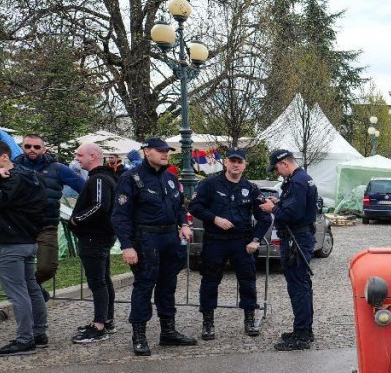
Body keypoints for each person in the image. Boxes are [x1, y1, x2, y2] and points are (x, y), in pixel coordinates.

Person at [111, 138, 197, 356]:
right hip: (145, 238)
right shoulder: (131, 178)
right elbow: (120, 216)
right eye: (160, 150)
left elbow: (178, 205)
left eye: (166, 150)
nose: (165, 154)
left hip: (169, 238)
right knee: (144, 286)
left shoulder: (170, 176)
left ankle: (168, 331)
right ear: (146, 152)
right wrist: (127, 246)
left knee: (168, 286)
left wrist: (184, 224)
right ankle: (139, 335)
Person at [0, 140, 49, 356]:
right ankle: (38, 334)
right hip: (27, 242)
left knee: (20, 294)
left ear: (4, 157)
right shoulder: (30, 177)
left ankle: (26, 340)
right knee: (32, 289)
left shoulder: (7, 179)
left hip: (10, 245)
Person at [190, 149, 271, 340]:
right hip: (215, 240)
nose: (236, 165)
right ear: (225, 163)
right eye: (232, 161)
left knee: (248, 281)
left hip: (242, 242)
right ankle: (208, 322)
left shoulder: (251, 188)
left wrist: (256, 240)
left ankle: (249, 319)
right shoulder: (209, 184)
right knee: (210, 281)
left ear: (244, 165)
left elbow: (264, 218)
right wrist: (215, 219)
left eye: (239, 162)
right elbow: (194, 207)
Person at [259, 150, 318, 351]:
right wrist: (280, 202)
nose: (277, 172)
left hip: (296, 239)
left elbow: (292, 214)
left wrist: (272, 209)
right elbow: (296, 206)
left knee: (298, 286)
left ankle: (301, 334)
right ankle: (304, 330)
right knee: (302, 285)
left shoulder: (297, 182)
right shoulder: (302, 179)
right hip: (301, 236)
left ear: (284, 164)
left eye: (276, 168)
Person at [13, 134, 85, 296]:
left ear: (44, 149)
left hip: (46, 226)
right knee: (16, 268)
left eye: (36, 147)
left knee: (47, 268)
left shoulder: (58, 168)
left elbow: (85, 188)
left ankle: (33, 287)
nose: (32, 150)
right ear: (22, 147)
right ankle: (33, 294)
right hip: (20, 227)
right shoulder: (13, 167)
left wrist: (80, 213)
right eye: (28, 146)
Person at [68, 143, 118, 343]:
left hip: (94, 237)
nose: (77, 158)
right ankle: (106, 320)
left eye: (79, 155)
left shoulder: (99, 178)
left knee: (98, 281)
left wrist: (76, 219)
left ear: (93, 156)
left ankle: (99, 325)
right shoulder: (105, 177)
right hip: (100, 235)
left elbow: (100, 205)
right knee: (103, 279)